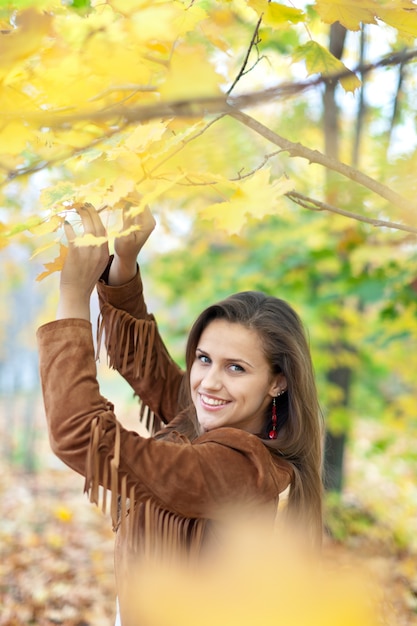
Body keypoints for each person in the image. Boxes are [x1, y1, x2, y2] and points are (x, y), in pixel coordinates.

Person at [37, 203, 323, 625]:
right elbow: (146, 366)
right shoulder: (218, 422)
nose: (207, 382)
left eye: (236, 368)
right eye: (204, 359)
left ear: (278, 381)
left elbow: (82, 435)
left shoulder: (243, 470)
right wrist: (126, 263)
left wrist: (72, 295)